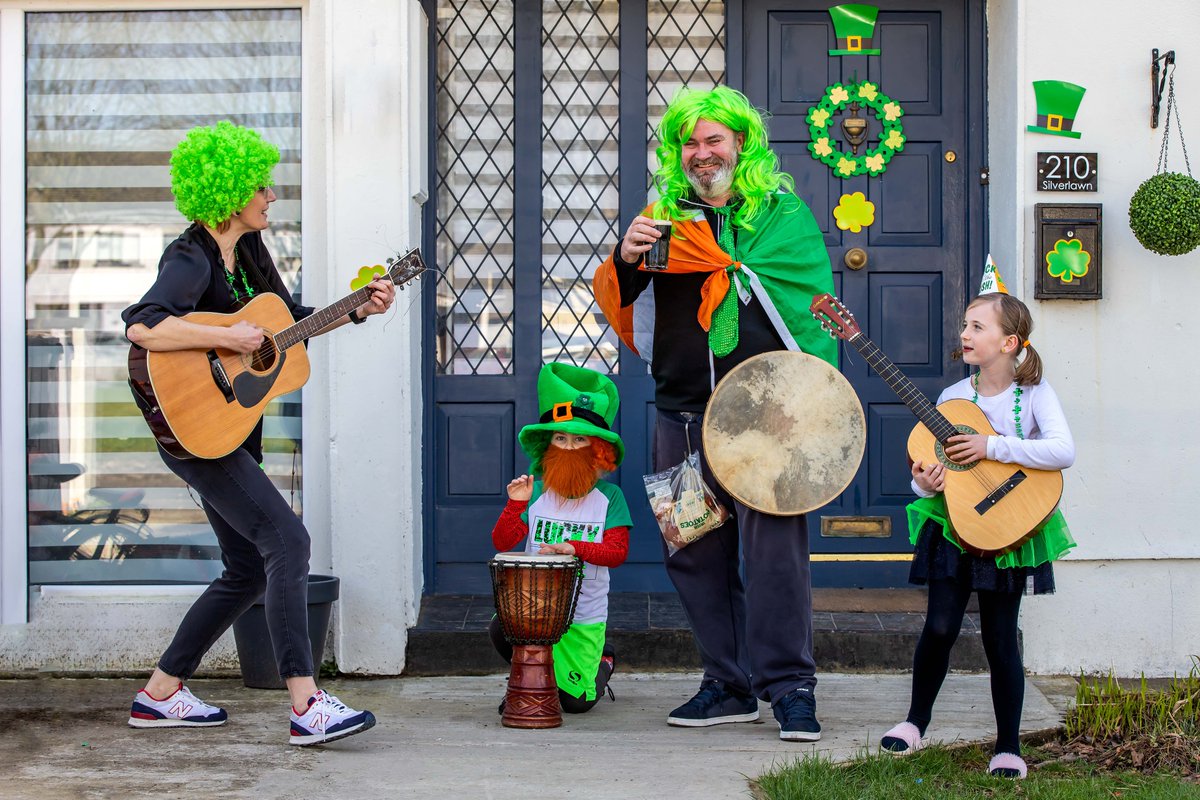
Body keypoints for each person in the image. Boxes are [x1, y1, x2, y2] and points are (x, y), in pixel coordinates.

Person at [122, 121, 394, 746]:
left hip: (230, 429)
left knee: (246, 569)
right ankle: (306, 702)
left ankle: (159, 694)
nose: (272, 196)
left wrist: (356, 307)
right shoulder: (190, 255)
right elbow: (144, 325)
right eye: (262, 186)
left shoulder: (246, 256)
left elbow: (284, 322)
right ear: (232, 191)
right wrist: (224, 336)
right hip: (195, 433)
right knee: (289, 541)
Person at [592, 86, 836, 741]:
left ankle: (790, 687)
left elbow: (812, 316)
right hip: (679, 418)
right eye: (690, 143)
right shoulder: (664, 218)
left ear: (741, 144)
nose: (702, 154)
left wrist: (806, 407)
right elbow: (621, 298)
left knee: (775, 554)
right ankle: (727, 684)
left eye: (714, 140)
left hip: (766, 425)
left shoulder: (782, 217)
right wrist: (626, 255)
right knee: (693, 551)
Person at [880, 291, 1076, 779]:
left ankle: (1008, 746)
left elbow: (1062, 451)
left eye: (977, 327)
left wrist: (991, 445)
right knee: (940, 628)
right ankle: (914, 722)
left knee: (1000, 637)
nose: (964, 334)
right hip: (955, 526)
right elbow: (933, 469)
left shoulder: (1034, 394)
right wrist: (921, 482)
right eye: (964, 325)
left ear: (1010, 342)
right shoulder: (952, 398)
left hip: (1007, 528)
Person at [489, 362, 630, 713]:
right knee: (499, 628)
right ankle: (530, 678)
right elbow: (503, 542)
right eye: (561, 437)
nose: (569, 447)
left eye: (580, 439)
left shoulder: (609, 499)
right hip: (534, 613)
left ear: (598, 449)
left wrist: (573, 549)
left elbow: (616, 552)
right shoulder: (535, 492)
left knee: (575, 705)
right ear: (548, 444)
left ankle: (603, 660)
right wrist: (514, 505)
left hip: (584, 617)